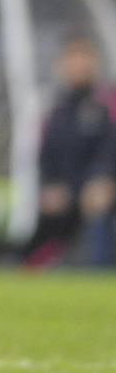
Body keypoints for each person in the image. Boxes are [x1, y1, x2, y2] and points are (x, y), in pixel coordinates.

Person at [23, 35, 116, 268]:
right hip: (66, 191)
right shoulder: (56, 109)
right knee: (49, 217)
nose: (79, 64)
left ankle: (98, 270)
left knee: (98, 211)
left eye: (84, 57)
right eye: (73, 58)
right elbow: (46, 154)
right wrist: (50, 185)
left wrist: (103, 179)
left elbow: (109, 148)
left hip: (100, 189)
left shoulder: (107, 102)